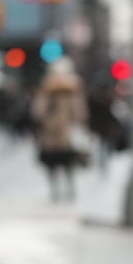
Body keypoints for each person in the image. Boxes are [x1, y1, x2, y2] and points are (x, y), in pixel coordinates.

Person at [30, 58, 89, 200]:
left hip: (58, 134)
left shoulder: (69, 92)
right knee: (61, 163)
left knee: (59, 163)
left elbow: (37, 113)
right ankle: (63, 190)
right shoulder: (49, 92)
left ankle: (61, 190)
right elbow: (80, 114)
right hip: (58, 134)